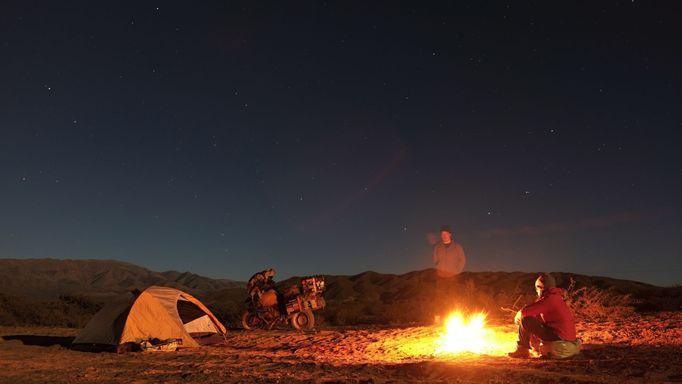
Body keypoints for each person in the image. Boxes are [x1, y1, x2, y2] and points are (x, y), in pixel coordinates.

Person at [508, 273, 578, 358]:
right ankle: (531, 346)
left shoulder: (549, 299)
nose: (537, 291)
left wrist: (518, 315)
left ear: (540, 288)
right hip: (566, 337)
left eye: (537, 288)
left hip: (560, 337)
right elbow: (537, 317)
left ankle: (522, 350)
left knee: (526, 320)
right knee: (534, 319)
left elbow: (524, 313)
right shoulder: (556, 297)